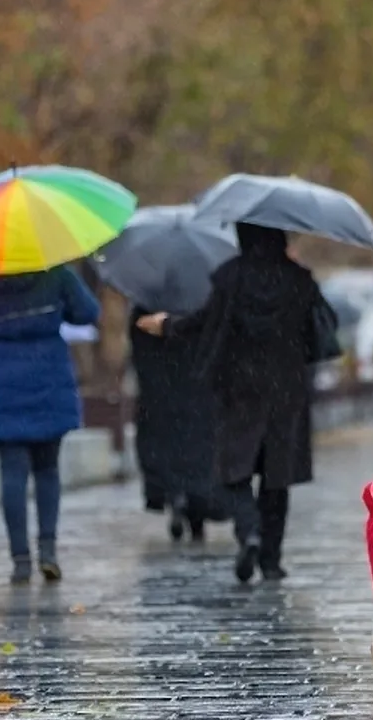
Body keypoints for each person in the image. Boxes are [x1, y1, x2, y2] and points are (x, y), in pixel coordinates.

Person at [136, 224, 324, 583]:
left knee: (230, 472)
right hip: (286, 391)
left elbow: (205, 323)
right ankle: (271, 561)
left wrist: (167, 326)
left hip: (240, 390)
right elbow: (315, 333)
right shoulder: (299, 280)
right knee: (276, 478)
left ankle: (249, 529)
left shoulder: (231, 277)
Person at [0, 266, 100, 584]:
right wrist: (57, 306)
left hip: (3, 380)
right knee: (48, 469)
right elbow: (88, 312)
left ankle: (20, 559)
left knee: (12, 472)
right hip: (49, 376)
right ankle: (48, 551)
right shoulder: (56, 272)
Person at [128, 304, 216, 540]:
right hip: (197, 392)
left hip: (158, 396)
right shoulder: (201, 296)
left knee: (162, 442)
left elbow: (138, 353)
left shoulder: (144, 300)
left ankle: (173, 494)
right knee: (197, 443)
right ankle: (196, 507)